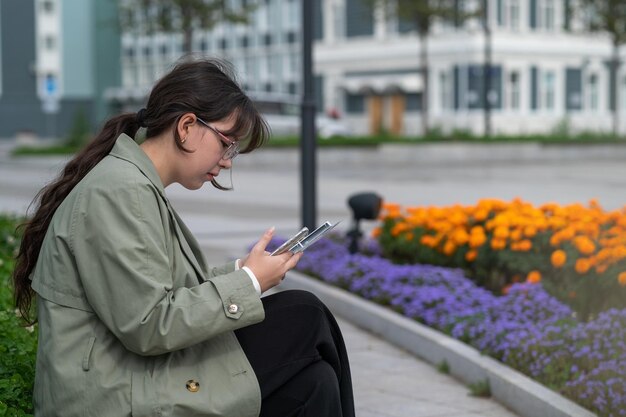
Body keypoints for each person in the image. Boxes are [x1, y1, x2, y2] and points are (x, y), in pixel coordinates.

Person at [12, 58, 355, 417]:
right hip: (116, 394)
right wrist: (250, 282)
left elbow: (160, 292)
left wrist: (242, 270)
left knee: (315, 383)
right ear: (187, 126)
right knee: (305, 313)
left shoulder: (131, 184)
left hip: (135, 375)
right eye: (227, 143)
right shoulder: (118, 191)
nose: (227, 161)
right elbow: (149, 325)